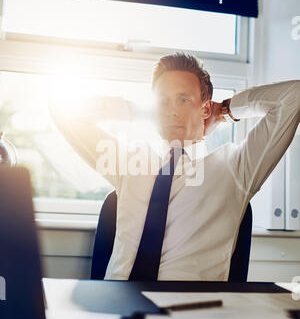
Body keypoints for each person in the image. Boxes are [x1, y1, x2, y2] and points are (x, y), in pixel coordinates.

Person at [49, 53, 300, 281]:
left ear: (204, 107)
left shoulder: (235, 168)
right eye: (163, 101)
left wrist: (225, 110)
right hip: (117, 304)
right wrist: (133, 110)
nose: (171, 111)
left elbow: (293, 97)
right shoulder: (129, 162)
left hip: (190, 312)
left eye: (183, 100)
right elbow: (62, 110)